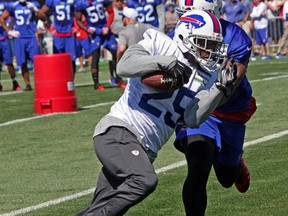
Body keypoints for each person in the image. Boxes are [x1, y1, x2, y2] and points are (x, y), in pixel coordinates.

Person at [75, 10, 235, 216]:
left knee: (101, 205)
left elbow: (191, 119)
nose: (210, 50)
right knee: (144, 181)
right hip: (120, 131)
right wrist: (165, 62)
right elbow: (123, 66)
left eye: (213, 44)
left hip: (144, 150)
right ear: (186, 36)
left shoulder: (208, 74)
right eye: (205, 43)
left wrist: (219, 90)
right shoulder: (161, 43)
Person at [174, 0, 257, 215]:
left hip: (229, 110)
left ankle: (236, 163)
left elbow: (230, 86)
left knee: (226, 178)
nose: (191, 23)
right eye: (186, 16)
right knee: (198, 166)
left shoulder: (235, 37)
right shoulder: (178, 35)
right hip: (197, 107)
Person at [75, 0, 126, 90]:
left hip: (105, 31)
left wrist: (108, 26)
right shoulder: (81, 3)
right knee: (95, 57)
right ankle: (96, 83)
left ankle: (118, 79)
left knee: (116, 54)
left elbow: (111, 12)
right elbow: (78, 19)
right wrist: (86, 29)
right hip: (95, 33)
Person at [0, 0, 40, 91]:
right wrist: (9, 31)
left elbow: (42, 16)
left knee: (37, 61)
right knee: (22, 63)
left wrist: (35, 8)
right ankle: (27, 84)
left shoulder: (32, 4)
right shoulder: (12, 5)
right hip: (19, 38)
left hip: (29, 36)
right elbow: (3, 18)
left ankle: (39, 82)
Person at [37, 0, 77, 77]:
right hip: (58, 34)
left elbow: (79, 11)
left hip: (70, 33)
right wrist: (48, 26)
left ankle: (71, 81)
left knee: (71, 59)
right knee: (58, 59)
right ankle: (61, 79)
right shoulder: (52, 1)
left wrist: (76, 26)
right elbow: (40, 13)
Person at [0, 1, 22, 92]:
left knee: (9, 62)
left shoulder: (5, 4)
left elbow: (12, 14)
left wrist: (10, 28)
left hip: (4, 37)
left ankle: (14, 82)